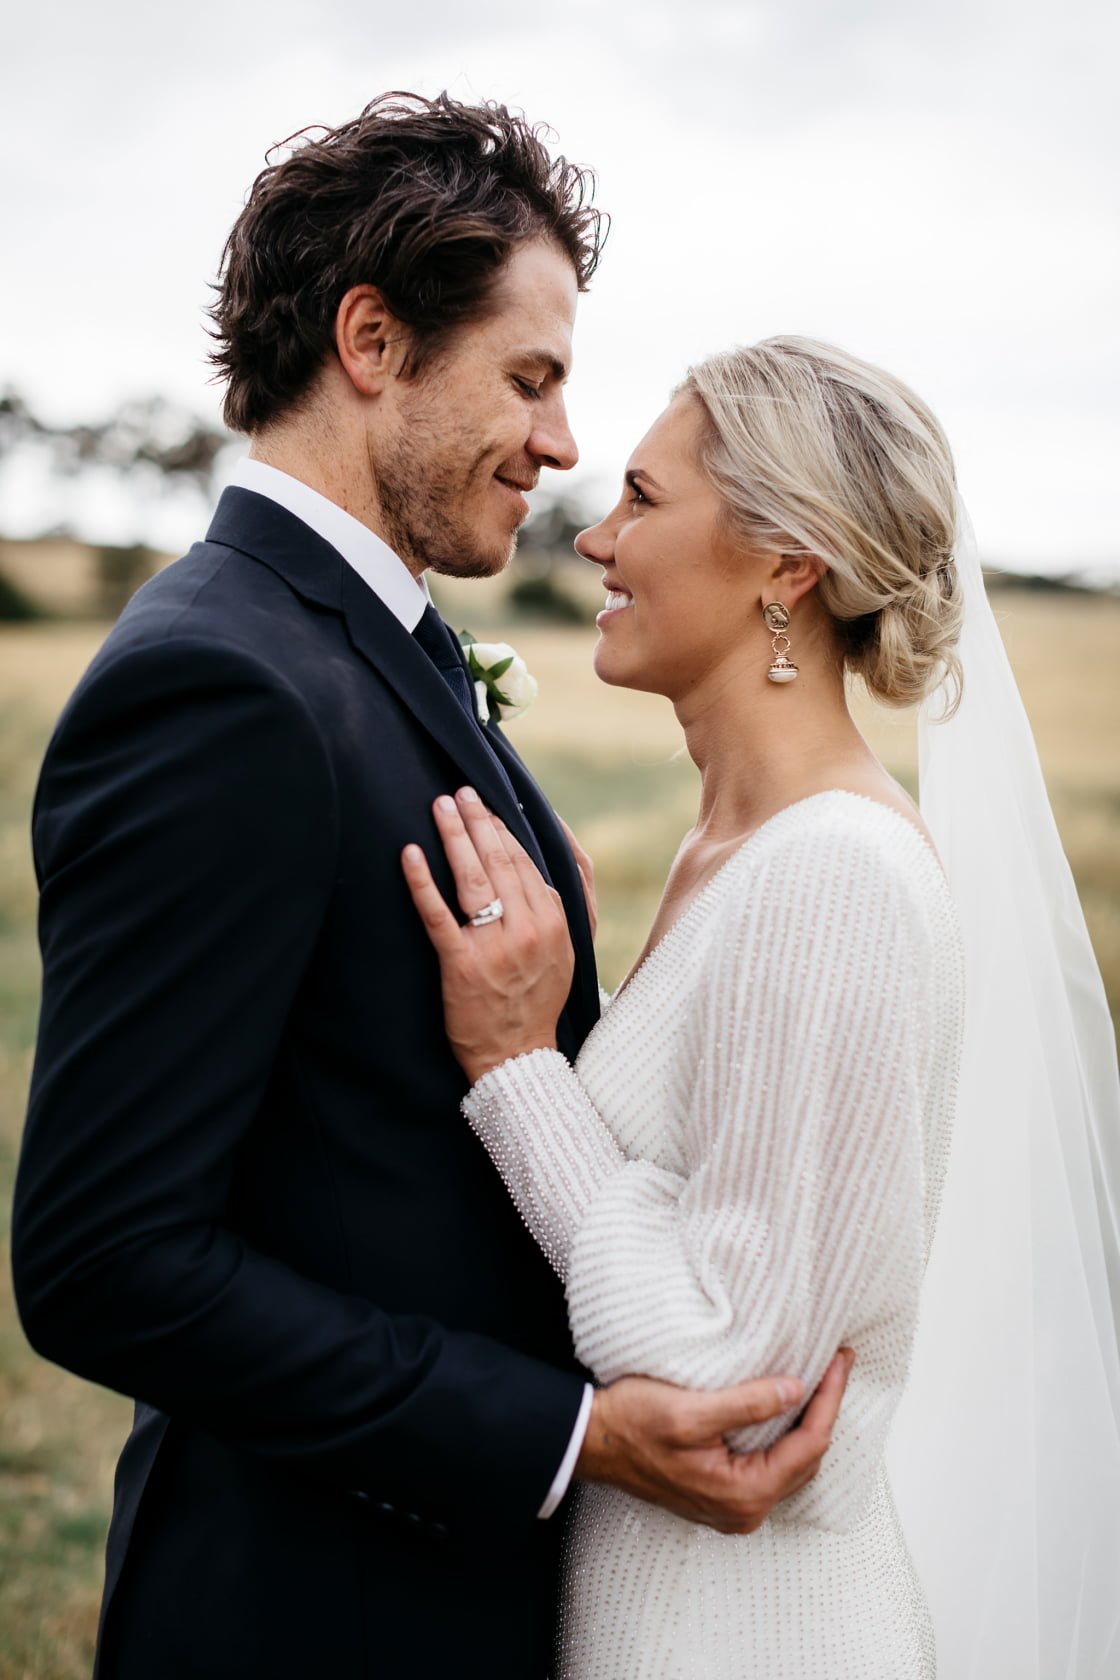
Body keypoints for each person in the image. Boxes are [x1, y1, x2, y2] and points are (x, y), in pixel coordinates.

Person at [9, 99, 850, 1680]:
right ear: (373, 341)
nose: (561, 443)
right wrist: (566, 1436)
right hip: (307, 1616)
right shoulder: (220, 686)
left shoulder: (365, 649)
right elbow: (103, 1266)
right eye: (529, 379)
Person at [401, 335, 1120, 1676]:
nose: (596, 540)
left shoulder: (835, 878)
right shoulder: (727, 853)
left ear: (787, 562)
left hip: (749, 1632)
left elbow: (733, 1378)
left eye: (642, 499)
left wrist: (517, 1068)